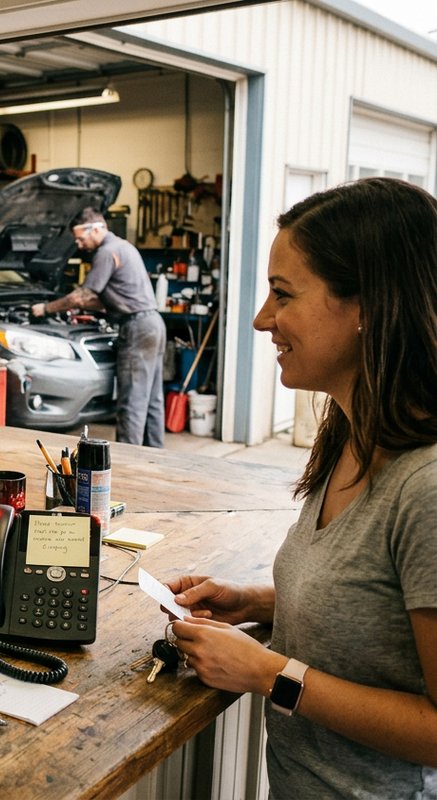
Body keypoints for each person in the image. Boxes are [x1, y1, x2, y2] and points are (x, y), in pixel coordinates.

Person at [164, 178, 437, 797]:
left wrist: (271, 674)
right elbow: (379, 608)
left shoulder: (426, 486)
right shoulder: (350, 433)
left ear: (368, 304)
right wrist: (261, 600)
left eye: (282, 294)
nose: (263, 319)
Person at [30, 208, 166, 447]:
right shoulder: (125, 247)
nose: (79, 245)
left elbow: (80, 297)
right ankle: (157, 454)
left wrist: (46, 309)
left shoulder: (107, 252)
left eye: (81, 239)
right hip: (152, 323)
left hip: (136, 328)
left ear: (96, 228)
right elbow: (103, 300)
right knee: (152, 399)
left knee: (131, 402)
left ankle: (127, 461)